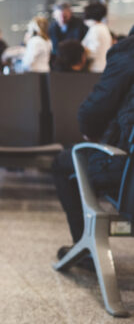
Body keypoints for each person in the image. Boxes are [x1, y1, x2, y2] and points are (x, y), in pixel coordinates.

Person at [51, 31, 134, 267]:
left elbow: (95, 109)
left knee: (65, 162)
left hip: (126, 168)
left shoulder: (128, 52)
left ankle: (85, 247)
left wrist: (91, 131)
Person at [81, 2, 113, 73]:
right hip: (102, 67)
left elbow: (93, 52)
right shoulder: (103, 28)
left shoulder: (95, 29)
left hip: (95, 69)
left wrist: (82, 50)